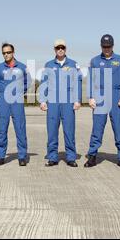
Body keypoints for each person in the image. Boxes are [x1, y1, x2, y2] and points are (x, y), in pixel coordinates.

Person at [86, 34, 120, 168]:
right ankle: (92, 156)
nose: (106, 49)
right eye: (104, 46)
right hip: (99, 96)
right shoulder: (94, 61)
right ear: (101, 46)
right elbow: (90, 80)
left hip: (116, 96)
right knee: (97, 129)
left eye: (109, 46)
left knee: (119, 128)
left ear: (113, 46)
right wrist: (90, 97)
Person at [39, 39, 82, 167]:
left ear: (66, 49)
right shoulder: (48, 65)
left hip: (68, 103)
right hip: (53, 103)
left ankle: (70, 157)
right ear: (54, 49)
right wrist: (42, 100)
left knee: (69, 130)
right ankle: (52, 157)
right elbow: (44, 83)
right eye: (58, 48)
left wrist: (77, 100)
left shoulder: (74, 64)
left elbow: (77, 83)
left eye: (62, 47)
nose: (60, 50)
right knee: (52, 131)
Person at [0, 43, 31, 166]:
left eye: (8, 52)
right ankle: (1, 156)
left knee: (20, 128)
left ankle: (22, 156)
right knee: (2, 129)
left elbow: (28, 82)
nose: (6, 55)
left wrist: (19, 91)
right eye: (4, 53)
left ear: (13, 52)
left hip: (17, 100)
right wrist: (2, 93)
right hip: (3, 99)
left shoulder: (23, 67)